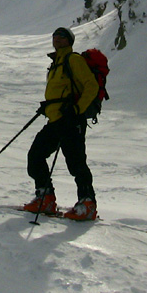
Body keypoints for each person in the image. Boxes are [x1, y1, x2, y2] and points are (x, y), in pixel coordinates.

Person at [23, 27, 100, 220]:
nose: (57, 39)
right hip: (57, 119)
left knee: (76, 162)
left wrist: (77, 109)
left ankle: (87, 203)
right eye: (54, 36)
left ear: (69, 41)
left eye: (62, 36)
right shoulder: (56, 63)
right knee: (35, 156)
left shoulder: (73, 60)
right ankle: (45, 197)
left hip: (71, 120)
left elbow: (92, 86)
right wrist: (48, 106)